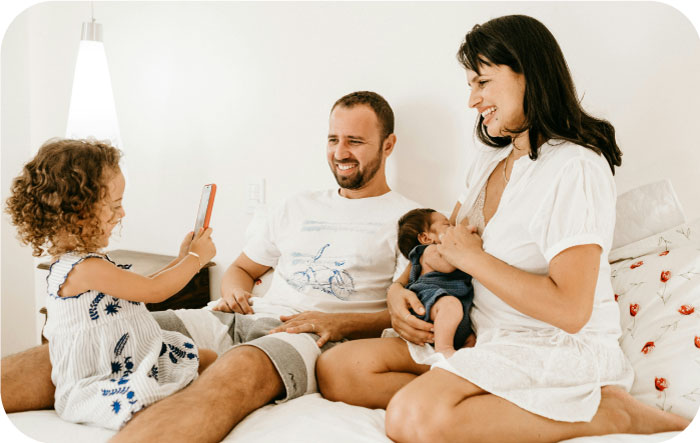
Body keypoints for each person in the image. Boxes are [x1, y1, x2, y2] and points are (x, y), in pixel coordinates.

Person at [317, 15, 690, 442]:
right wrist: (398, 289)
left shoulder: (575, 167)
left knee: (410, 418)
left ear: (528, 74)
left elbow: (571, 310)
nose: (472, 100)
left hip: (548, 344)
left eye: (482, 82)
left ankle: (613, 415)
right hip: (480, 334)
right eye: (470, 85)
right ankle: (483, 403)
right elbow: (446, 241)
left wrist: (475, 259)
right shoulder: (490, 159)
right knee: (338, 369)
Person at [1, 91, 419, 441]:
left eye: (355, 141)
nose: (340, 152)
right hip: (238, 317)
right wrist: (234, 293)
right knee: (112, 336)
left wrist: (340, 324)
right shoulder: (296, 205)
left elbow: (411, 315)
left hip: (309, 336)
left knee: (237, 369)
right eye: (333, 139)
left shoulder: (411, 221)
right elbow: (242, 270)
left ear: (388, 145)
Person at [3, 139, 218, 429]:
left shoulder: (85, 263)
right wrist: (196, 259)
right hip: (105, 374)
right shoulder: (84, 268)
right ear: (78, 211)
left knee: (206, 358)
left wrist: (182, 259)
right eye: (115, 205)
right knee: (148, 395)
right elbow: (155, 292)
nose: (122, 214)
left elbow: (141, 286)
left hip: (132, 358)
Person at [396, 208, 473, 356]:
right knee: (450, 305)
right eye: (447, 225)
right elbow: (449, 264)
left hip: (453, 312)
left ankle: (461, 354)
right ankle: (443, 349)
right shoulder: (429, 251)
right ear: (426, 238)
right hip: (430, 300)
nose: (454, 227)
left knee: (471, 338)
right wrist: (466, 235)